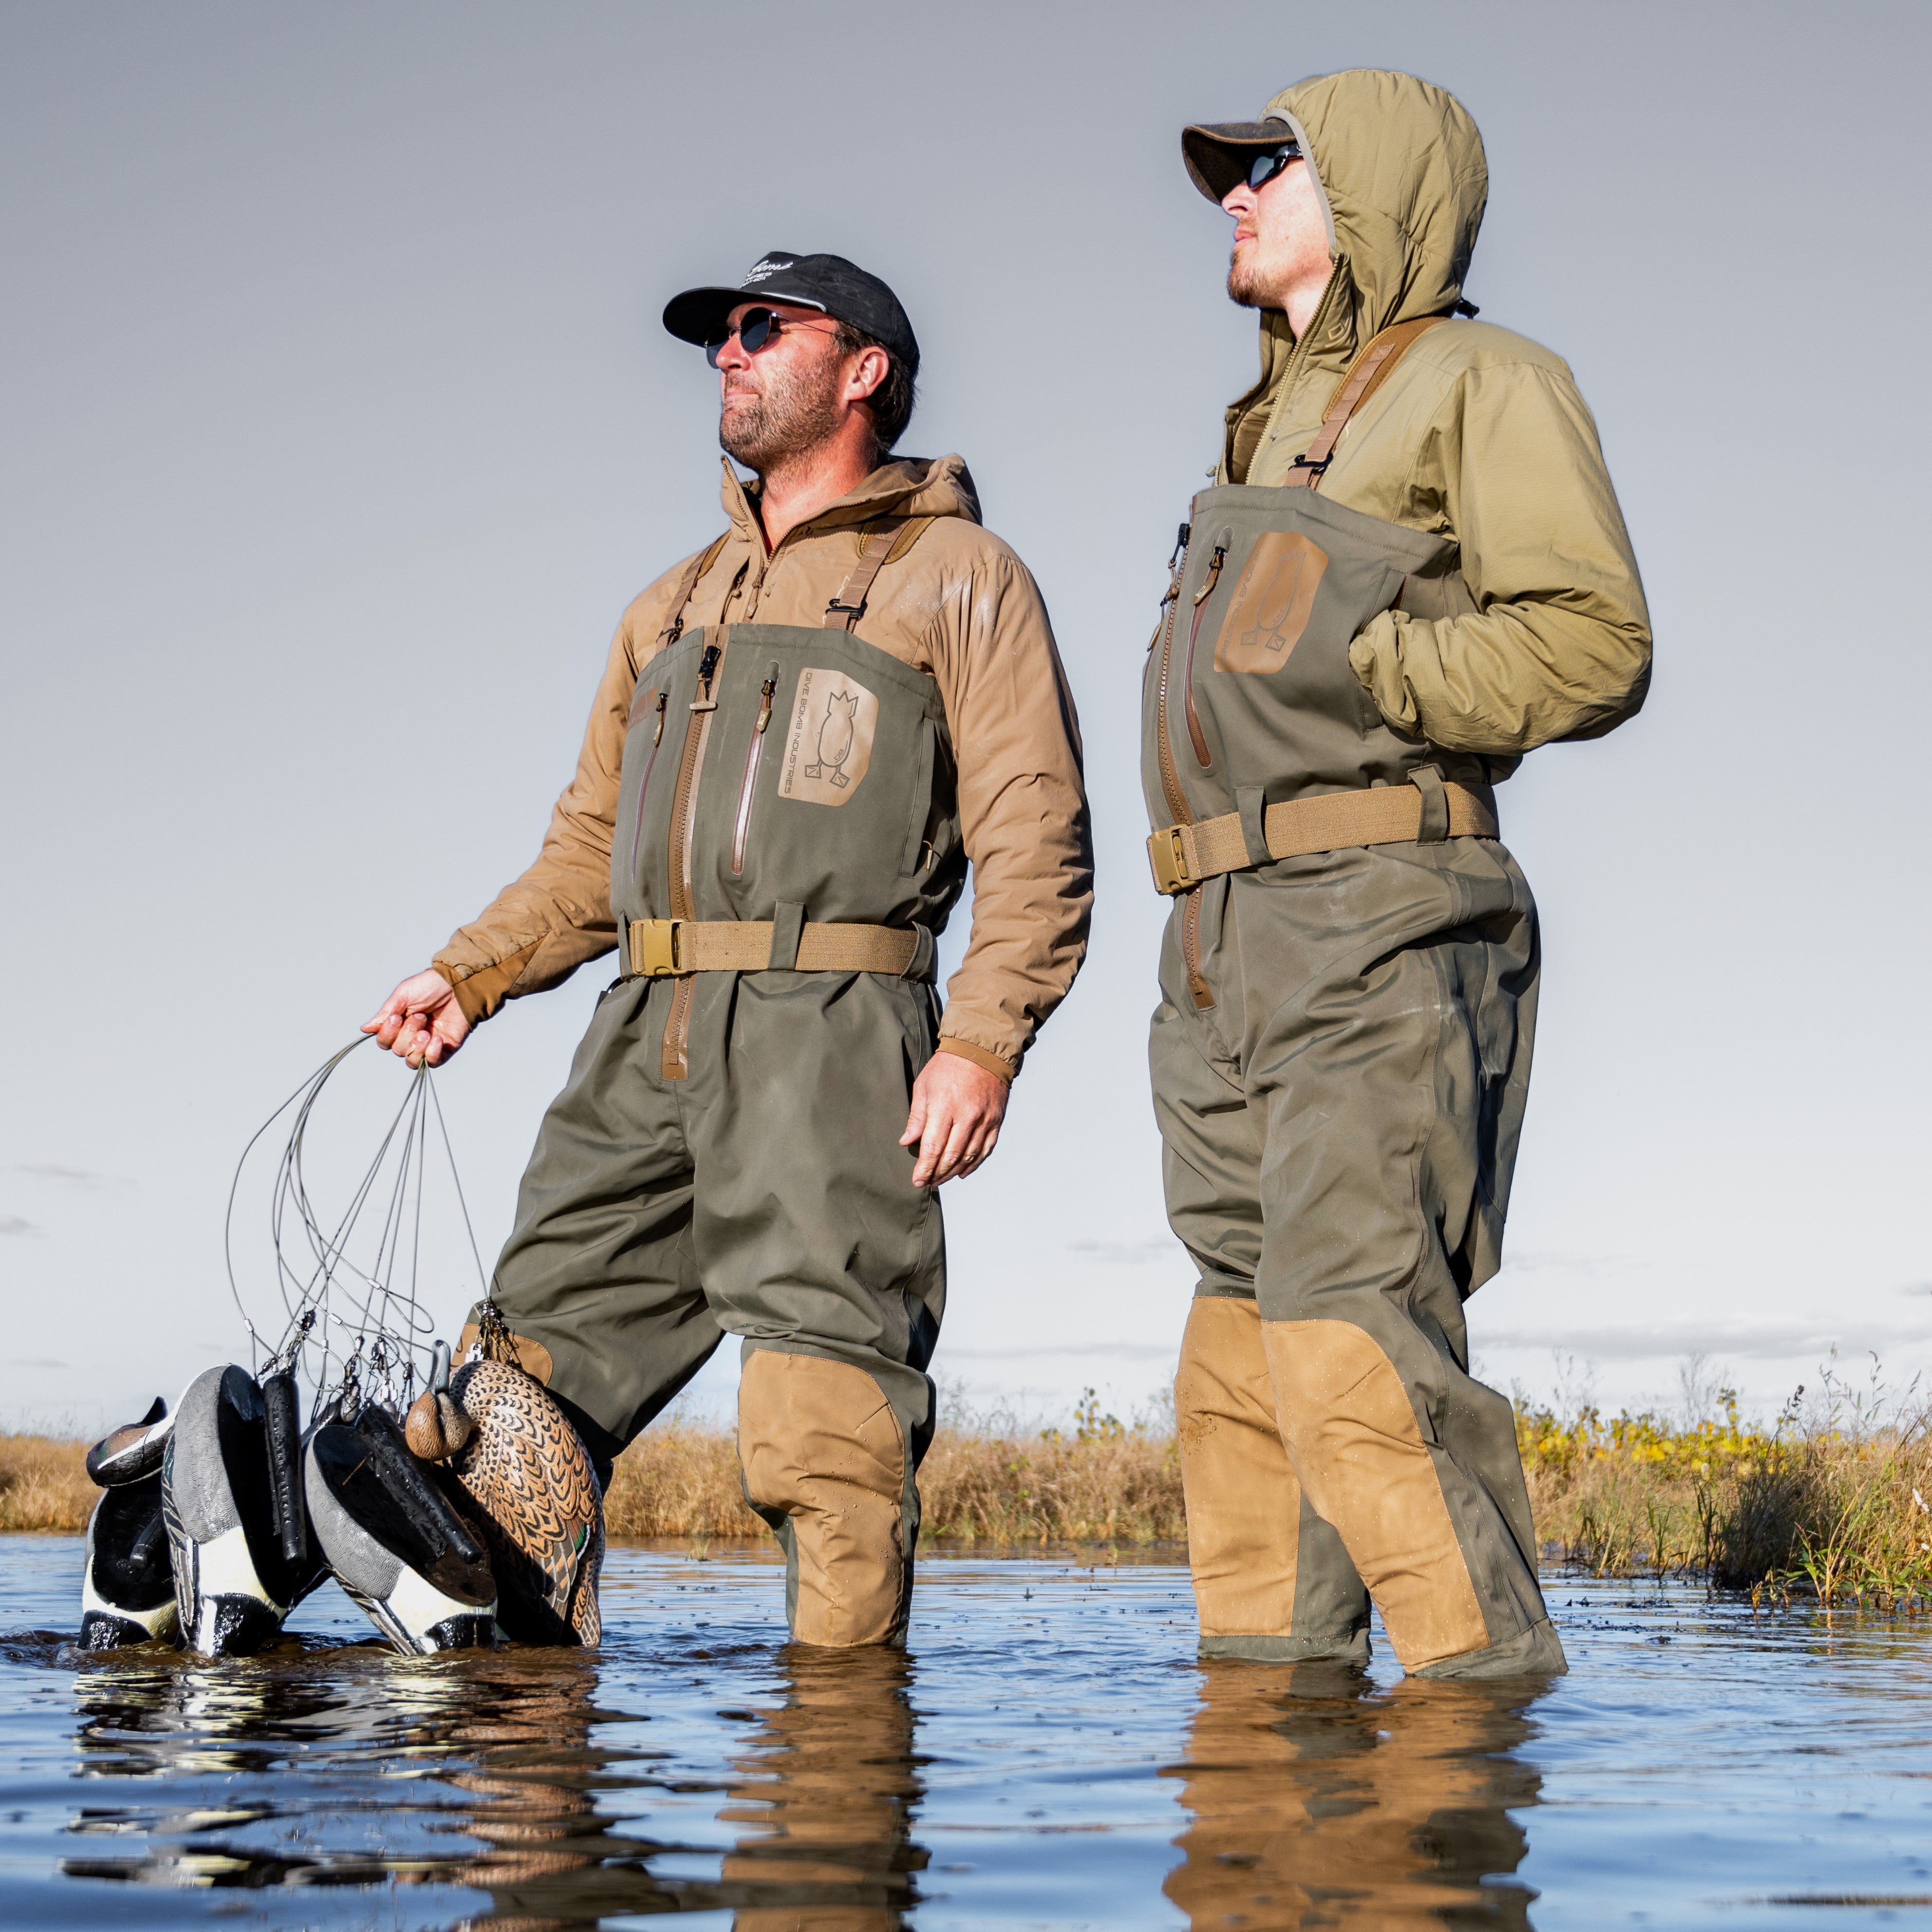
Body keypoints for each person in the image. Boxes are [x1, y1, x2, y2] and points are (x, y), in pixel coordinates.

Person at [366, 251, 1092, 1647]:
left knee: (821, 1421)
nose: (728, 352)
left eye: (763, 328)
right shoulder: (671, 605)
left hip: (837, 1030)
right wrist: (469, 973)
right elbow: (589, 850)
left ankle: (834, 1793)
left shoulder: (958, 576)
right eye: (719, 334)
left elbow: (1036, 829)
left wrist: (983, 1038)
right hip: (644, 1032)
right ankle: (531, 1796)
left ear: (862, 369)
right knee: (510, 1407)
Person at [1149, 71, 1649, 1678]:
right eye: (1226, 172)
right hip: (1221, 941)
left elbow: (1596, 641)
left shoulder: (1484, 379)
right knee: (1236, 1369)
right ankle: (1258, 1785)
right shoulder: (1268, 421)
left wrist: (1381, 670)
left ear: (1365, 188)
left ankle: (1460, 1783)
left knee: (1354, 1343)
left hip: (1379, 919)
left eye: (1267, 166)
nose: (1230, 192)